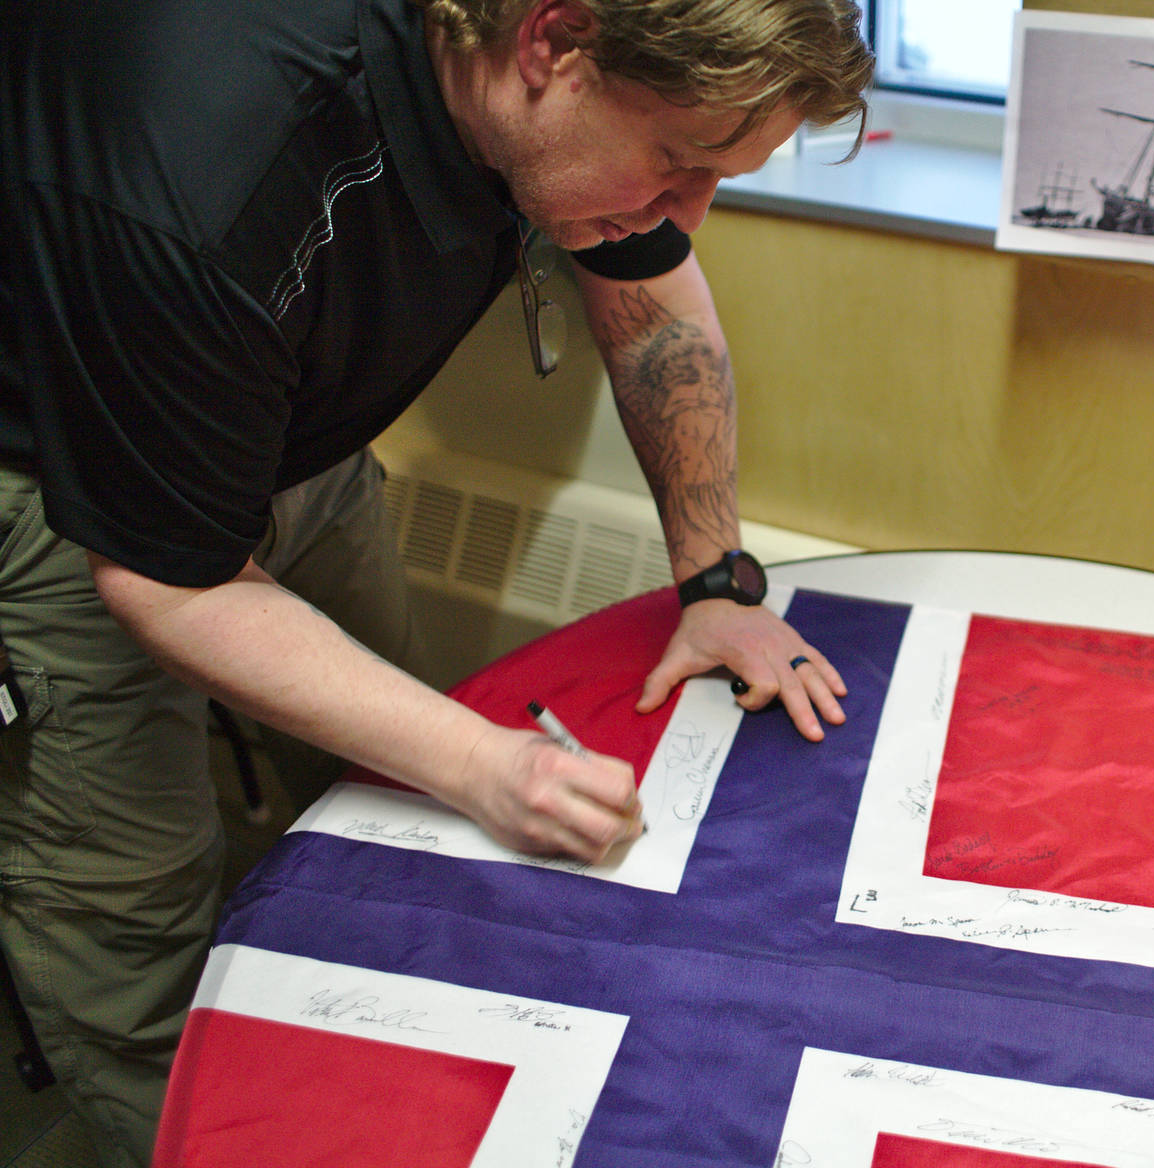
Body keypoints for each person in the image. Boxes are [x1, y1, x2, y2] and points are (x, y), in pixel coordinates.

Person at [0, 0, 873, 1161]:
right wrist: (482, 762)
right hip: (58, 477)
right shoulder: (214, 167)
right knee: (135, 898)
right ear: (548, 47)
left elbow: (649, 287)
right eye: (676, 164)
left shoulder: (553, 90)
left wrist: (715, 576)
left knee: (384, 783)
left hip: (288, 430)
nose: (687, 212)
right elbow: (170, 584)